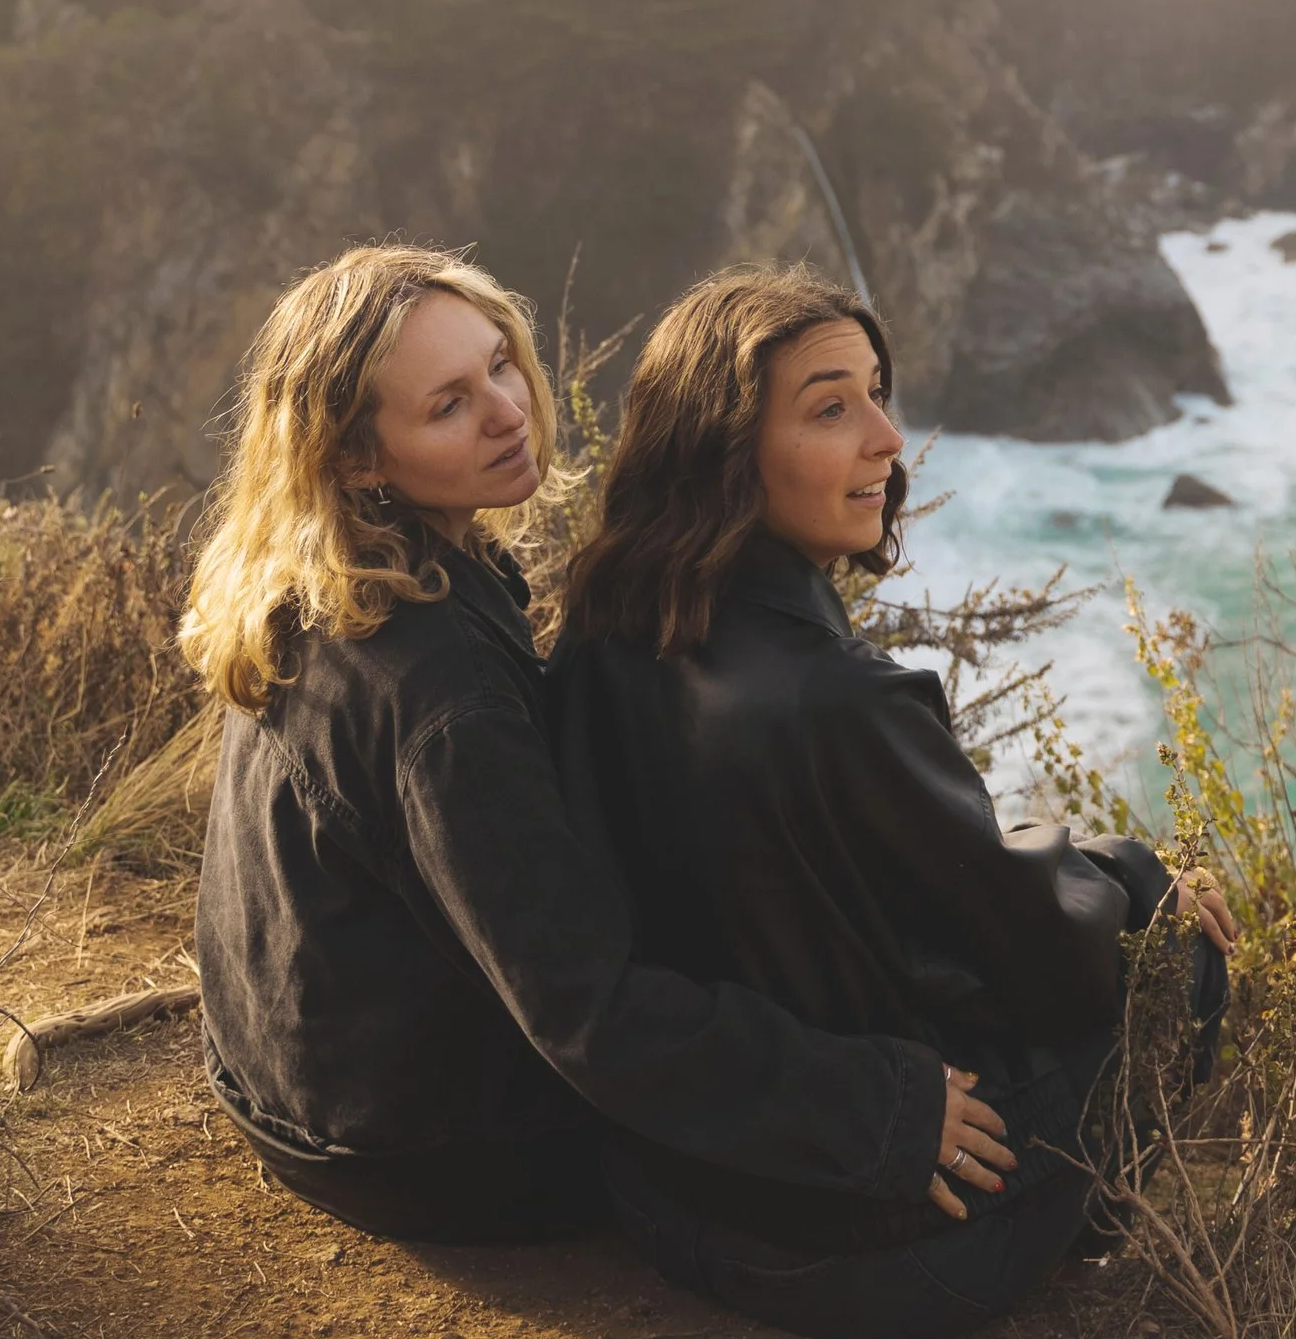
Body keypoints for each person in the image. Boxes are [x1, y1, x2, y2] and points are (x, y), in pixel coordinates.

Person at [182, 245, 1014, 1248]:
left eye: (498, 363)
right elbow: (587, 1010)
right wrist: (872, 1105)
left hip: (281, 1081)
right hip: (425, 1152)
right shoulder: (443, 690)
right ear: (355, 457)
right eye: (448, 405)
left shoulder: (338, 569)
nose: (505, 409)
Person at [550, 268, 1234, 1339]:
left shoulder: (599, 633)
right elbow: (1046, 954)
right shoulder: (845, 700)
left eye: (877, 392)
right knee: (1183, 956)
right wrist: (1142, 879)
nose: (888, 438)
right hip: (878, 1249)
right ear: (726, 449)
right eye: (831, 408)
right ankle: (1088, 1237)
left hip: (671, 1199)